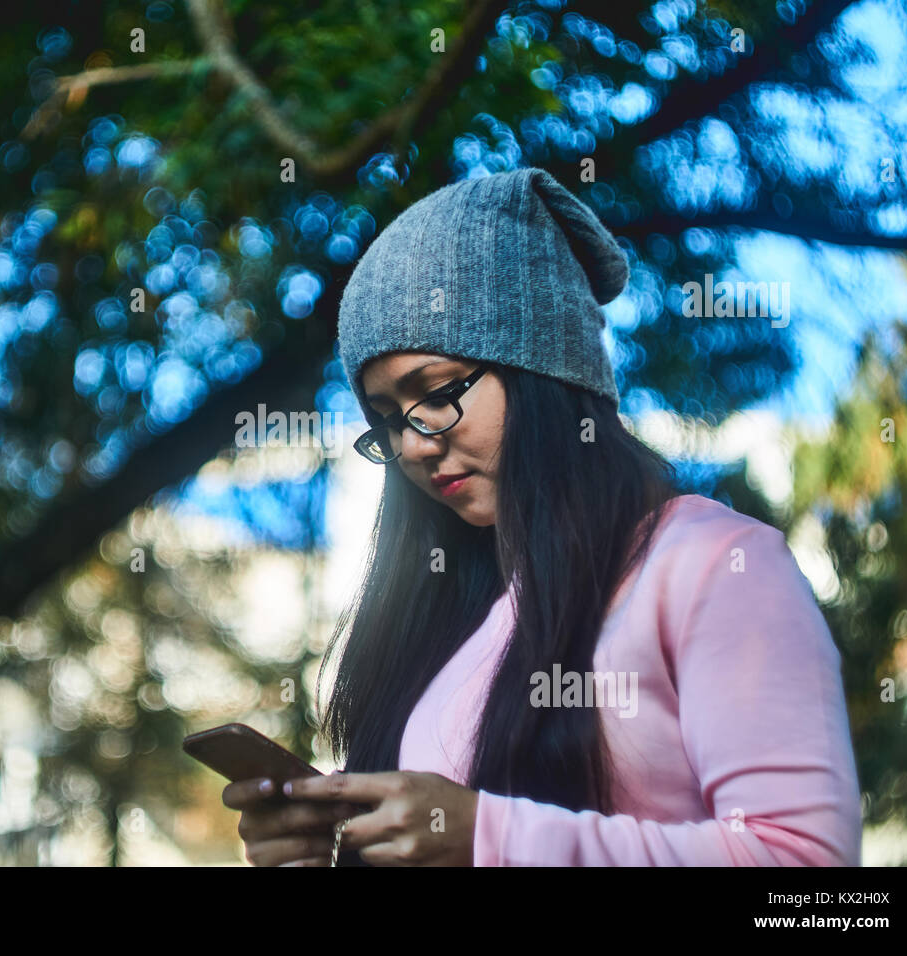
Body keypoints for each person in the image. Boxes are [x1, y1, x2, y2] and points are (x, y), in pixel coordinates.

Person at [223, 167, 862, 866]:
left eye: (435, 392)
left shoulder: (717, 566)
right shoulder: (459, 624)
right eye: (386, 419)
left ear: (547, 370)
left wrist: (488, 838)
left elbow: (810, 876)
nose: (411, 442)